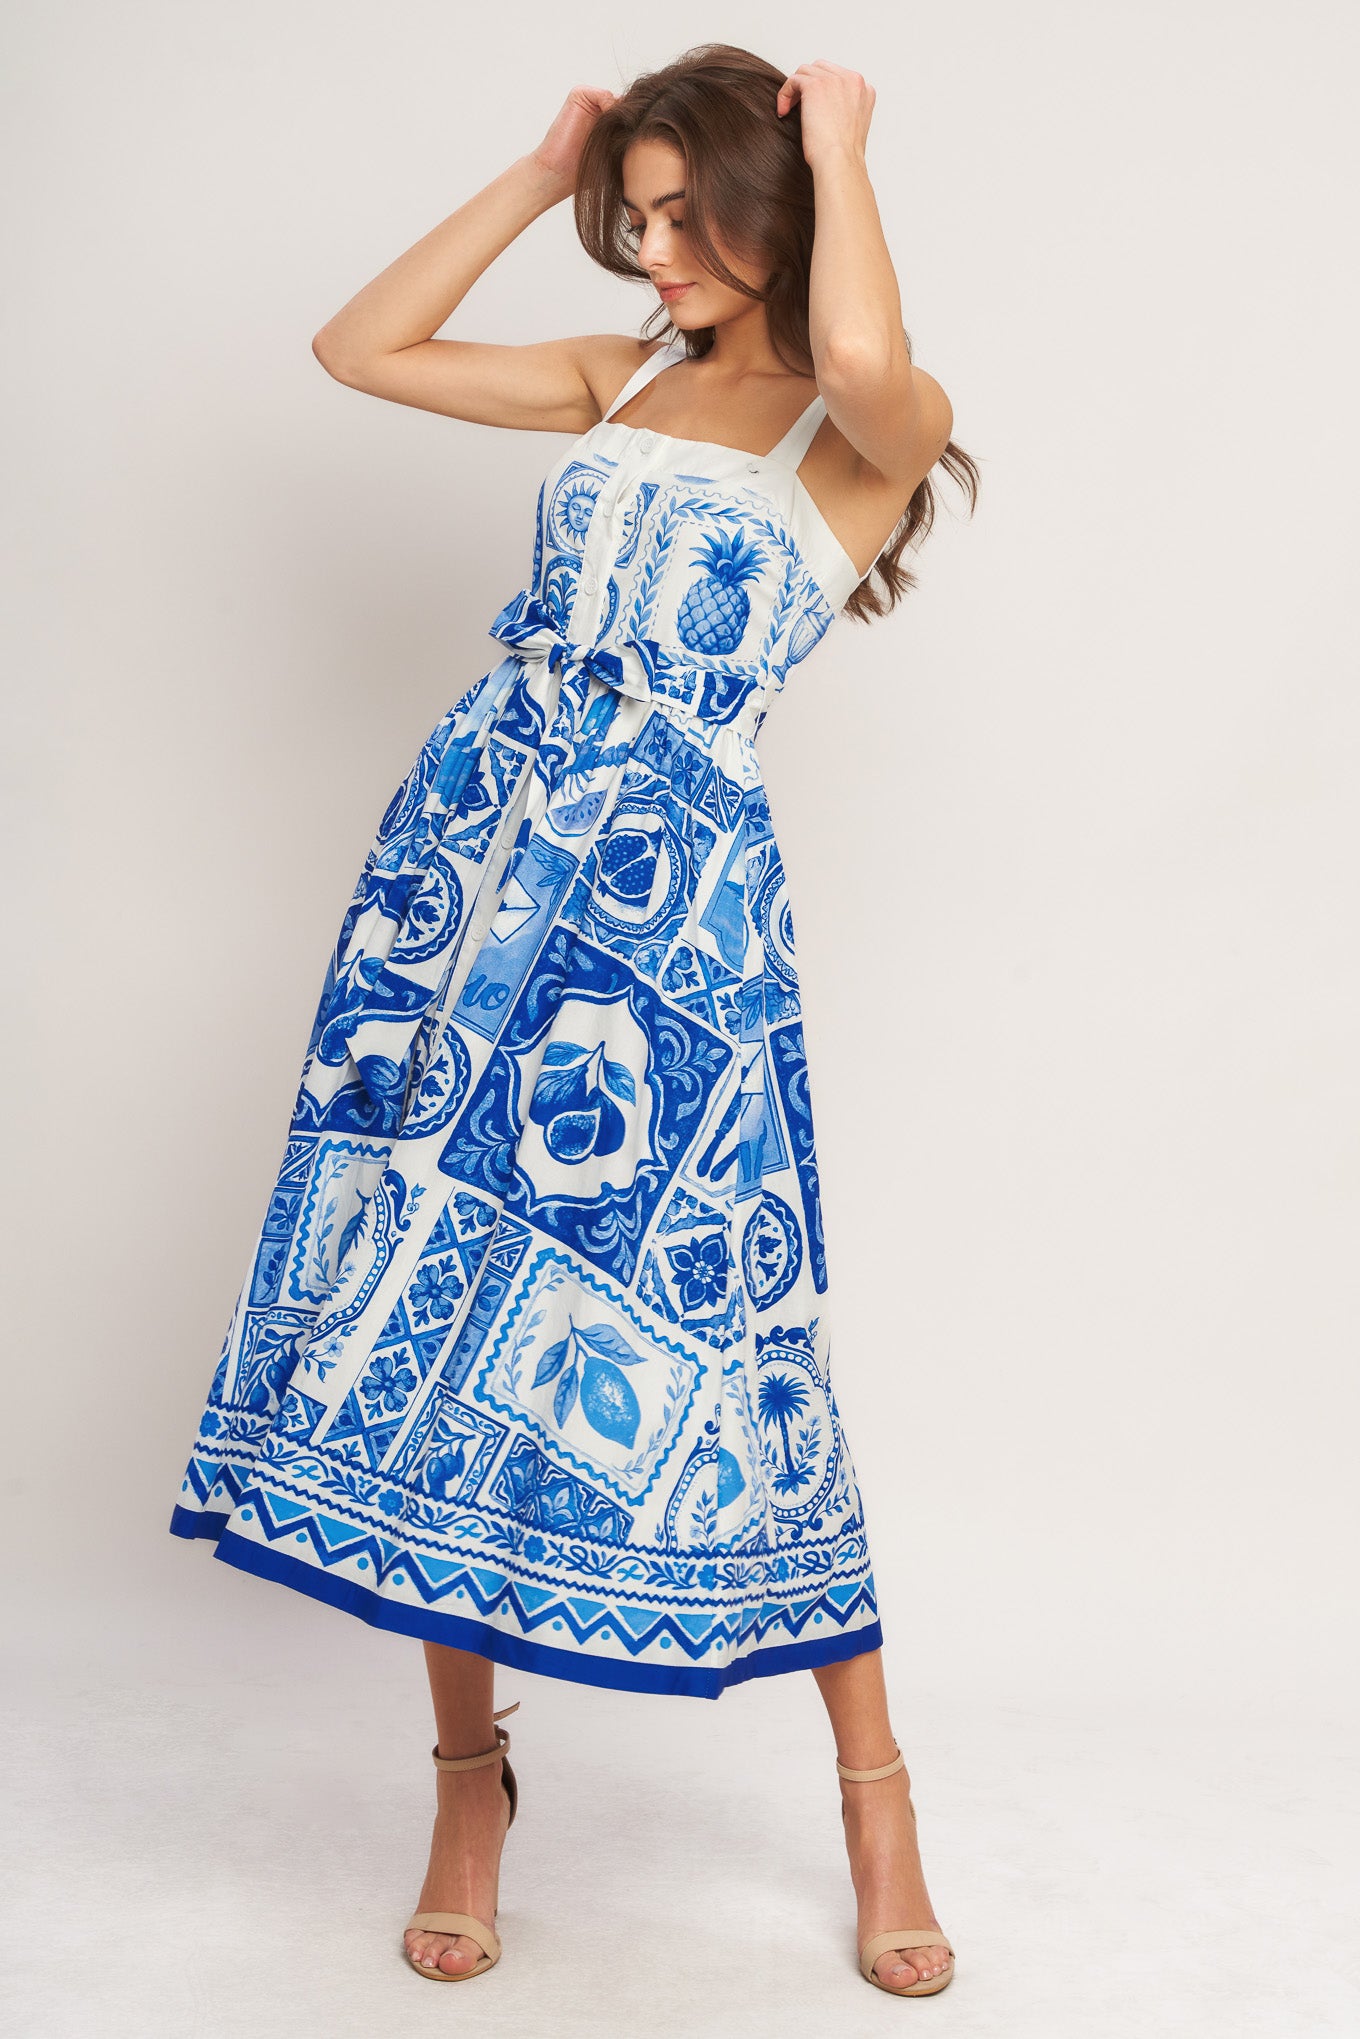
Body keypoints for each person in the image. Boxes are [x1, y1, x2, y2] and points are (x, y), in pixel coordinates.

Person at [168, 42, 978, 2000]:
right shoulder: (609, 373)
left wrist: (841, 142)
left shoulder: (859, 433)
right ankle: (469, 1787)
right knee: (412, 1316)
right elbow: (358, 348)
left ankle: (874, 1793)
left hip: (666, 947)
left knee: (734, 1356)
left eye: (692, 210)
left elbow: (863, 344)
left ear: (777, 209)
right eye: (636, 214)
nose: (655, 246)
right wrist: (543, 172)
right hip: (466, 896)